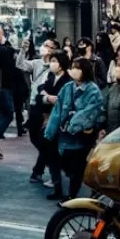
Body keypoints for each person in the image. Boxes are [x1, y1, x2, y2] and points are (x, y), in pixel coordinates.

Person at [43, 58, 103, 199]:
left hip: (80, 136)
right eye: (73, 67)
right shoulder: (67, 87)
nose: (74, 71)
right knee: (57, 162)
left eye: (77, 68)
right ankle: (58, 190)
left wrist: (71, 125)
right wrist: (49, 132)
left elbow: (89, 113)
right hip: (63, 136)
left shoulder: (93, 90)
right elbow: (57, 111)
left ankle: (72, 195)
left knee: (77, 167)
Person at [33, 50, 72, 196]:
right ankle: (57, 184)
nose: (52, 64)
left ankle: (61, 183)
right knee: (49, 151)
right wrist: (46, 98)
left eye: (55, 61)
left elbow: (62, 102)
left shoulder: (67, 81)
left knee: (56, 153)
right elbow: (40, 96)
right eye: (51, 60)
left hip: (59, 122)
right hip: (46, 121)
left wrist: (47, 97)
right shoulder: (50, 78)